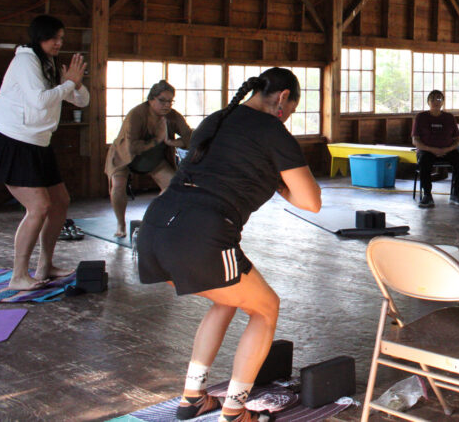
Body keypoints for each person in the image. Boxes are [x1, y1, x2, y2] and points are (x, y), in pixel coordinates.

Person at [136, 68, 321, 422]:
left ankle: (193, 398)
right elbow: (311, 201)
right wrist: (278, 178)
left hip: (155, 228)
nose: (287, 116)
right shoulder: (272, 131)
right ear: (282, 98)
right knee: (266, 308)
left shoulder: (216, 119)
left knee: (226, 299)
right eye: (291, 109)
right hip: (201, 235)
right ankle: (235, 411)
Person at [0, 15, 89, 290]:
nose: (58, 43)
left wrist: (76, 84)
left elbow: (82, 100)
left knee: (60, 202)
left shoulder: (49, 63)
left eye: (61, 38)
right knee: (39, 206)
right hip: (12, 139)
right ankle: (18, 276)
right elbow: (39, 101)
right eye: (53, 37)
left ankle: (45, 265)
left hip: (38, 142)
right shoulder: (25, 61)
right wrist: (68, 84)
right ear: (39, 37)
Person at [104, 80, 192, 237]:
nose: (167, 105)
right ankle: (120, 224)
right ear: (151, 99)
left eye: (170, 101)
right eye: (162, 100)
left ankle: (150, 218)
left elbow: (190, 137)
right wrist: (157, 140)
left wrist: (172, 142)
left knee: (173, 186)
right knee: (118, 186)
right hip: (124, 155)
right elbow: (132, 147)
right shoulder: (136, 114)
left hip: (153, 158)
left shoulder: (172, 116)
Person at [411, 89, 459, 208]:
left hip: (447, 150)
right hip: (427, 150)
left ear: (443, 102)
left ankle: (456, 194)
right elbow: (415, 140)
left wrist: (447, 149)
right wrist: (431, 149)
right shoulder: (421, 117)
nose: (436, 101)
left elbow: (457, 139)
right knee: (424, 161)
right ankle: (427, 195)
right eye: (432, 99)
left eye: (439, 99)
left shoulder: (449, 117)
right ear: (428, 102)